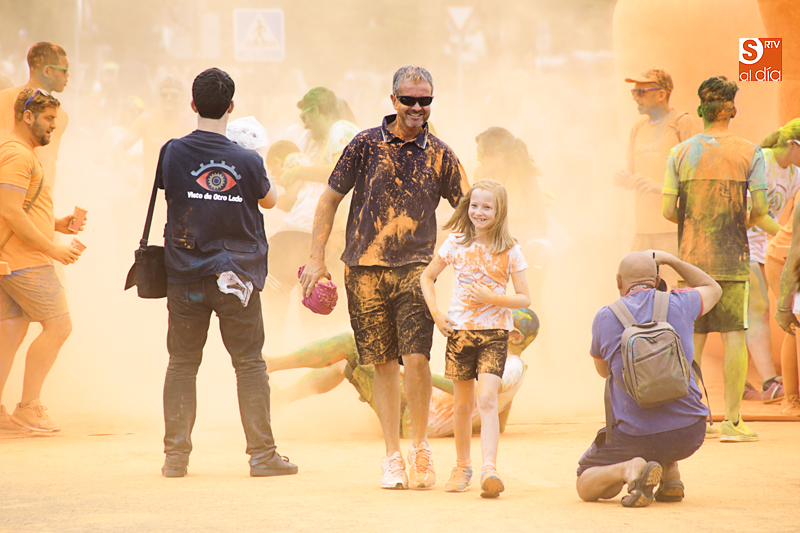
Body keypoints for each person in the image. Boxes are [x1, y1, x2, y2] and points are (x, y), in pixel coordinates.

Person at [300, 65, 469, 490]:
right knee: (382, 365)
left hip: (416, 271)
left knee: (416, 359)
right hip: (363, 270)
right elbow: (329, 199)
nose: (416, 107)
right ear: (392, 100)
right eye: (409, 99)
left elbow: (468, 208)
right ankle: (392, 455)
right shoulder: (364, 144)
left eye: (424, 100)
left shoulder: (441, 154)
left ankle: (421, 447)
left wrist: (468, 260)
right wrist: (316, 258)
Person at [157, 67, 295, 478]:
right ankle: (262, 456)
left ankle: (175, 459)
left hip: (185, 274)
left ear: (194, 105)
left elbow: (171, 189)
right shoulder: (247, 160)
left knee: (182, 364)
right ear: (231, 107)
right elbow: (269, 202)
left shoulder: (173, 152)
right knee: (250, 364)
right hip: (236, 277)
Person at [662, 75, 768, 441]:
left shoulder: (679, 153)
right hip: (733, 258)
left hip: (692, 261)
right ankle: (732, 422)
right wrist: (740, 220)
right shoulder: (750, 152)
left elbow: (667, 210)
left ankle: (693, 417)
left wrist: (694, 221)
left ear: (701, 110)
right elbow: (762, 207)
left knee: (692, 336)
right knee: (735, 333)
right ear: (732, 110)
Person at [576, 251, 721, 507]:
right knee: (666, 399)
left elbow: (603, 371)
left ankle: (629, 469)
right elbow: (713, 288)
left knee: (584, 483)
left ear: (619, 281)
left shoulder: (605, 317)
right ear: (657, 279)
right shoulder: (681, 303)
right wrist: (672, 260)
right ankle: (671, 474)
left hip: (636, 435)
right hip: (689, 432)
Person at [263, 308, 539, 438]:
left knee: (352, 344)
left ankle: (271, 364)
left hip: (414, 414)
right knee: (344, 365)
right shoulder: (515, 368)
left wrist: (417, 376)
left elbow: (479, 392)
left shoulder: (509, 366)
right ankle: (282, 398)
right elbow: (498, 419)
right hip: (418, 413)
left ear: (513, 336)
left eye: (498, 321)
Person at [420, 179, 531, 498]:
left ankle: (489, 469)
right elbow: (427, 276)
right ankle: (462, 465)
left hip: (495, 334)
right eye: (474, 205)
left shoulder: (511, 249)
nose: (479, 212)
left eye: (487, 207)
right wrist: (438, 315)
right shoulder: (455, 242)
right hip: (459, 333)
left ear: (500, 211)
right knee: (461, 403)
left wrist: (493, 298)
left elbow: (525, 298)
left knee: (486, 400)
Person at [0, 88, 84, 433]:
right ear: (28, 116)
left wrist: (56, 224)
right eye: (48, 119)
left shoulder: (19, 153)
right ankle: (29, 407)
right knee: (59, 325)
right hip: (26, 260)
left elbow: (18, 210)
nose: (53, 126)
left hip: (14, 259)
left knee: (11, 331)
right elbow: (9, 210)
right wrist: (52, 249)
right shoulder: (18, 155)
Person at [615, 68, 702, 288]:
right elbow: (633, 173)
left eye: (641, 92)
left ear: (661, 94)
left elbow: (697, 174)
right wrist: (624, 179)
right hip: (643, 228)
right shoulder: (637, 129)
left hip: (672, 226)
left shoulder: (683, 123)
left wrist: (660, 188)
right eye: (633, 93)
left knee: (673, 288)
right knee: (638, 287)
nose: (636, 98)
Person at [742, 120, 800, 404]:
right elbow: (754, 211)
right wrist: (785, 238)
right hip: (742, 243)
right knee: (759, 308)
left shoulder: (795, 173)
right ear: (792, 144)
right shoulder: (761, 161)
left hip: (767, 248)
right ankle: (768, 382)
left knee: (755, 312)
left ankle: (747, 380)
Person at [474, 128, 550, 311]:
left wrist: (535, 247)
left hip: (527, 241)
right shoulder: (481, 174)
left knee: (530, 303)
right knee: (496, 302)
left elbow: (541, 218)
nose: (479, 159)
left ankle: (539, 339)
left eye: (483, 154)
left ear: (499, 156)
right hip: (495, 244)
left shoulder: (524, 175)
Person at [0, 43, 70, 189]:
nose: (67, 76)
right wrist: (46, 208)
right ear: (47, 71)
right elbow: (46, 163)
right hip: (21, 192)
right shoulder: (57, 116)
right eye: (64, 70)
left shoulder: (3, 98)